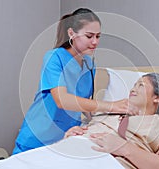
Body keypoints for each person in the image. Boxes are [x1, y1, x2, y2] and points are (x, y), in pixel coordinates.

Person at [12, 8, 133, 154]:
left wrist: (100, 120)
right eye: (89, 36)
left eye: (98, 36)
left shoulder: (89, 63)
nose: (95, 42)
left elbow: (83, 102)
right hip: (38, 137)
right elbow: (62, 100)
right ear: (71, 34)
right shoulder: (54, 57)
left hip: (67, 138)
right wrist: (111, 106)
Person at [65, 73, 159, 169]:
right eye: (133, 85)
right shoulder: (105, 115)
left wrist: (124, 148)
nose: (132, 89)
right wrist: (72, 136)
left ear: (157, 97)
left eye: (140, 85)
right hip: (68, 156)